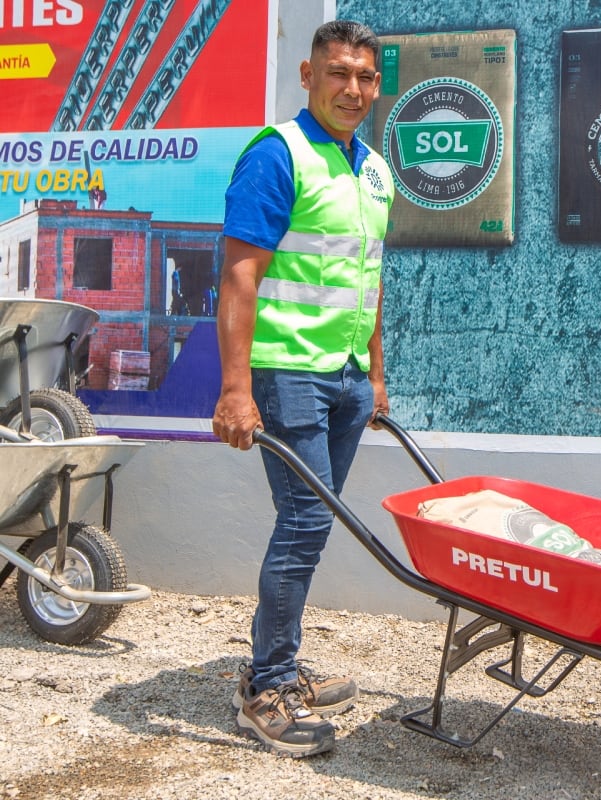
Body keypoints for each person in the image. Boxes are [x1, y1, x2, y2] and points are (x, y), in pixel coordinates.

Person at [211, 19, 394, 758]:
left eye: (365, 77)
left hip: (346, 377)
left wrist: (376, 374)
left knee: (310, 523)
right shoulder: (277, 156)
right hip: (287, 372)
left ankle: (269, 664)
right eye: (338, 73)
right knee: (307, 523)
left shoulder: (373, 169)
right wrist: (234, 388)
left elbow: (369, 277)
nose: (353, 89)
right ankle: (268, 689)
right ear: (308, 74)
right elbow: (239, 276)